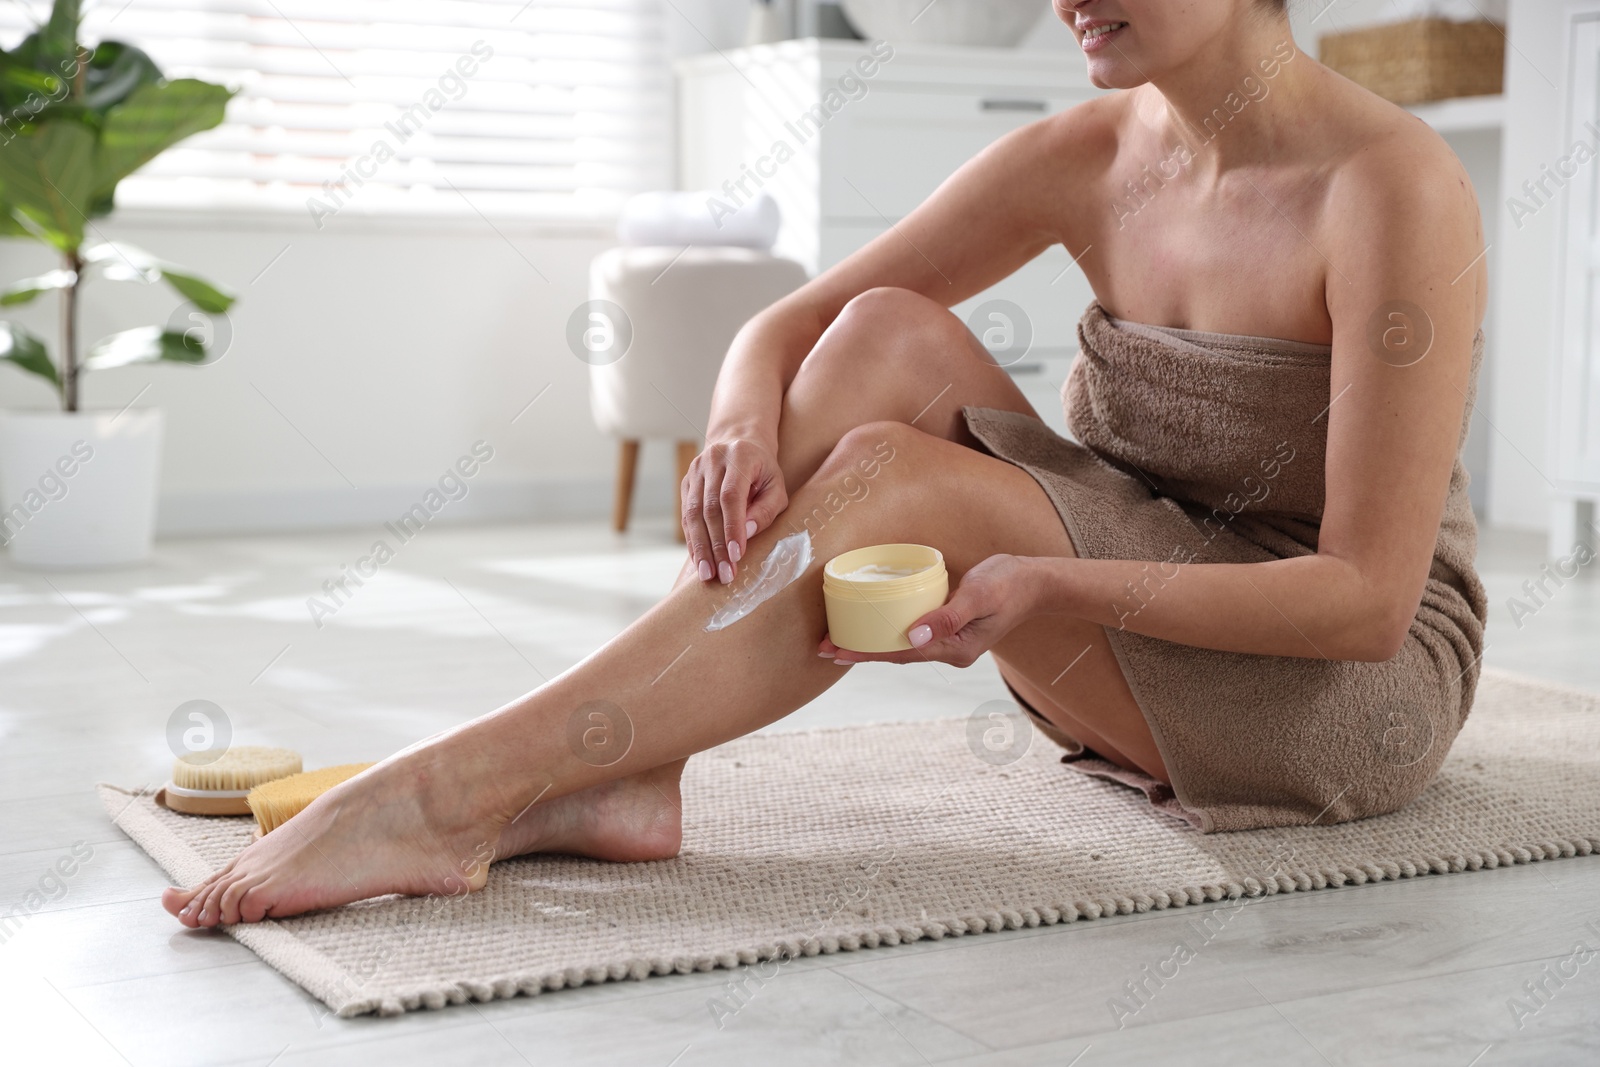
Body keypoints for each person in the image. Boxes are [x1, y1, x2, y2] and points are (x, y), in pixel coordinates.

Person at [165, 0, 1488, 927]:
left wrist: (1044, 583)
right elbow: (790, 324)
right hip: (1149, 566)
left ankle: (450, 792)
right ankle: (626, 767)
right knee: (881, 339)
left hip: (1337, 690)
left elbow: (1364, 604)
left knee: (896, 477)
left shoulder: (1389, 185)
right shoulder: (1091, 156)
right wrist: (741, 412)